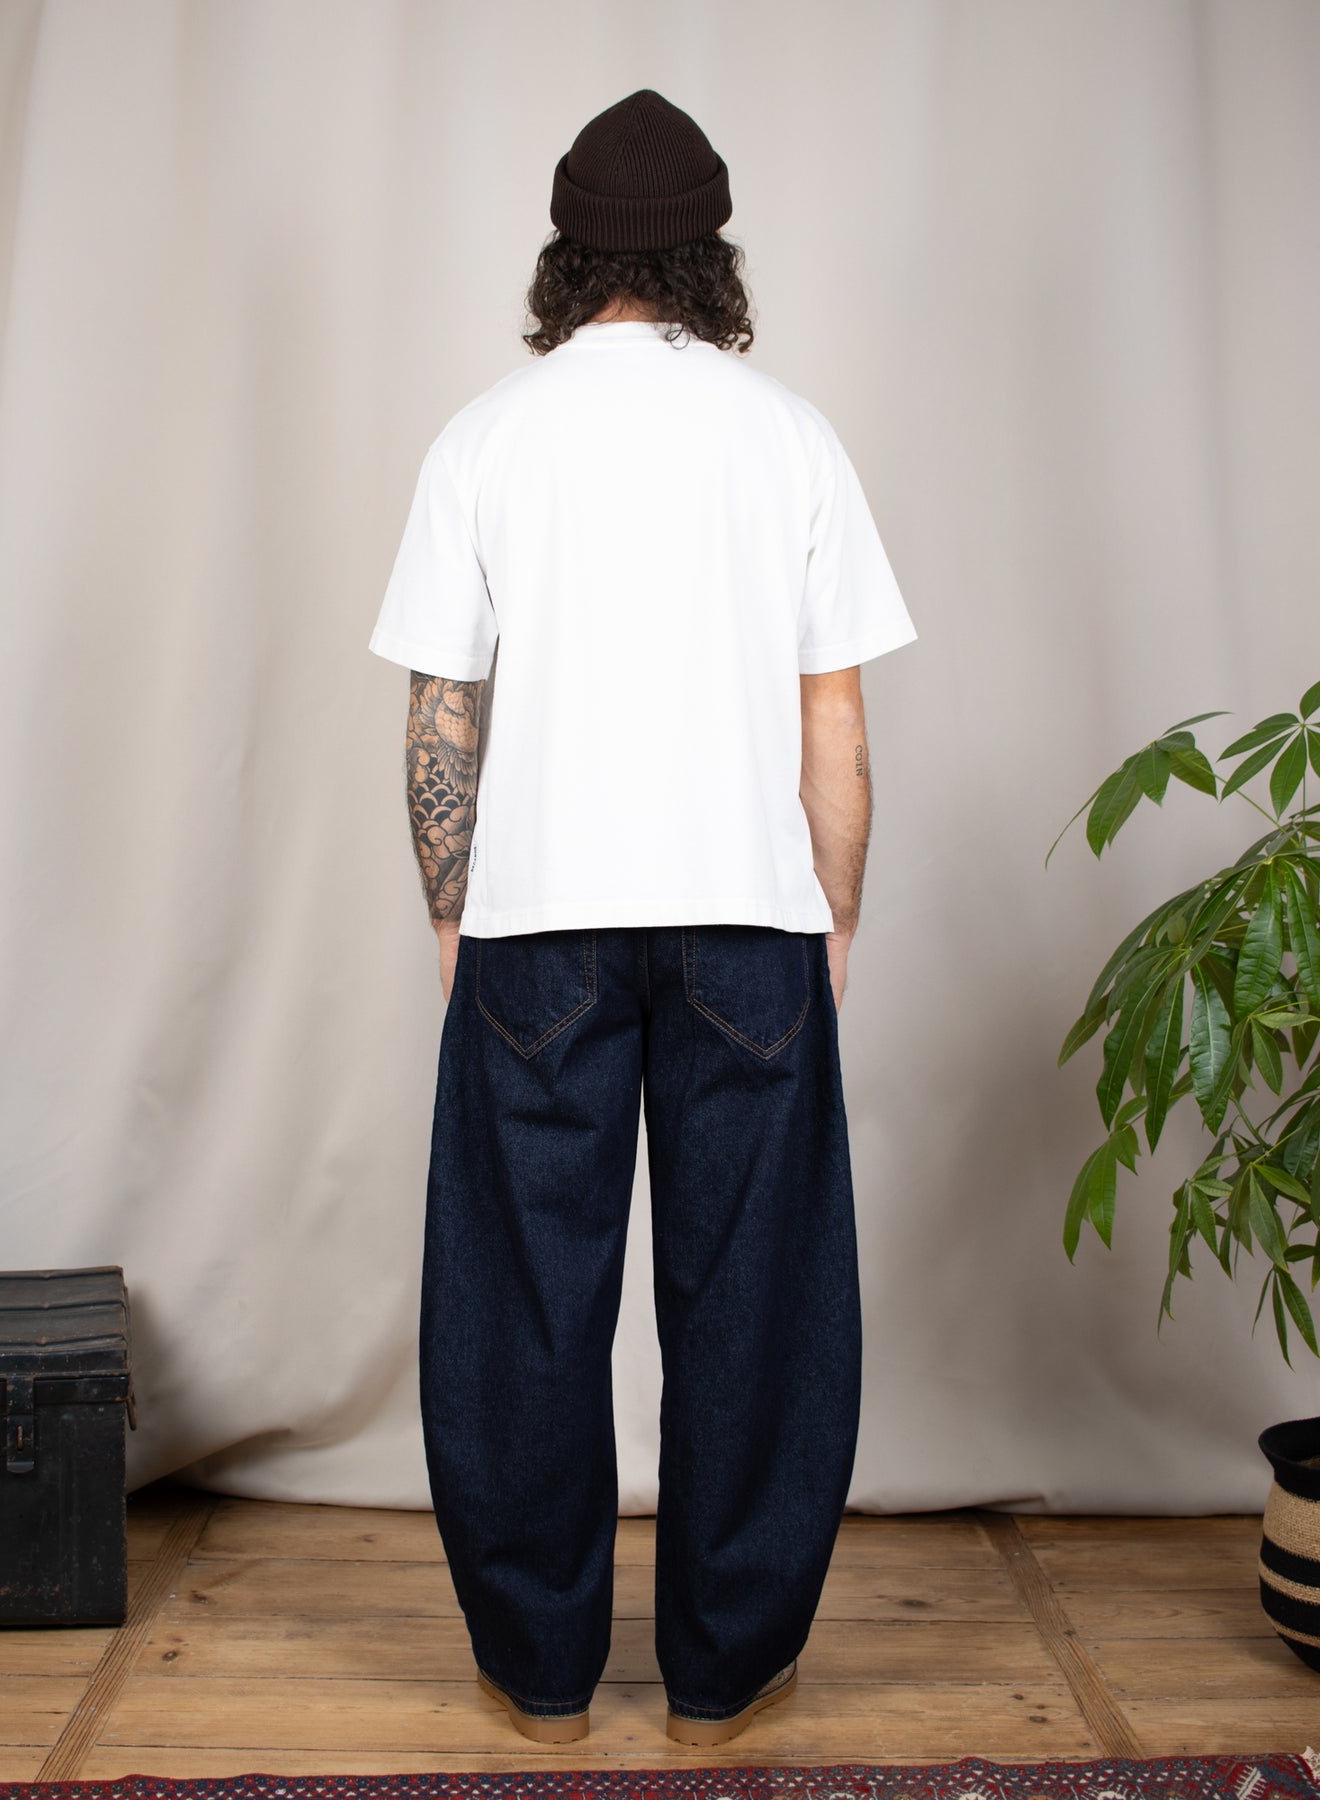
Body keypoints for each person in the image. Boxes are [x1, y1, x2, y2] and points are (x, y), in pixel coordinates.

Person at [367, 87, 918, 1751]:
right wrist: (830, 916)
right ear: (711, 255)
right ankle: (724, 1675)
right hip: (748, 918)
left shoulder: (484, 438)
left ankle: (537, 1674)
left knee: (520, 1299)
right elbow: (836, 719)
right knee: (758, 1297)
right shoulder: (790, 436)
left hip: (535, 924)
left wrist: (456, 914)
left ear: (565, 253)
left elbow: (440, 713)